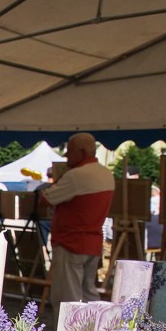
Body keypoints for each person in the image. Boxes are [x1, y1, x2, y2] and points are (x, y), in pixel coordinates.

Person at [41, 132, 114, 316]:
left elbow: (47, 198)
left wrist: (59, 178)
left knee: (66, 299)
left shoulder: (76, 176)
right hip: (92, 242)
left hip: (71, 242)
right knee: (89, 294)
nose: (66, 155)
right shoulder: (106, 174)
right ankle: (94, 329)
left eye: (70, 150)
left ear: (81, 152)